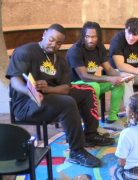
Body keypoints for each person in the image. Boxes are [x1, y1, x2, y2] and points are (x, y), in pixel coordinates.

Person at [5, 24, 114, 167]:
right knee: (67, 103)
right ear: (44, 34)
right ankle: (76, 151)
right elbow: (15, 80)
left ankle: (90, 134)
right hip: (26, 103)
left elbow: (65, 88)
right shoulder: (25, 51)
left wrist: (48, 89)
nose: (54, 45)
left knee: (87, 90)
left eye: (59, 43)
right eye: (51, 39)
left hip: (49, 97)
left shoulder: (61, 61)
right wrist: (30, 92)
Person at [66, 21, 132, 130]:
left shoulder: (100, 48)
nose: (90, 40)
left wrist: (121, 74)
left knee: (118, 83)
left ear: (98, 37)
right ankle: (93, 125)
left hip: (89, 82)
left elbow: (109, 69)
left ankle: (112, 119)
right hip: (74, 85)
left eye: (94, 37)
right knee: (94, 86)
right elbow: (84, 76)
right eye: (87, 37)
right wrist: (108, 79)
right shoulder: (75, 50)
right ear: (83, 36)